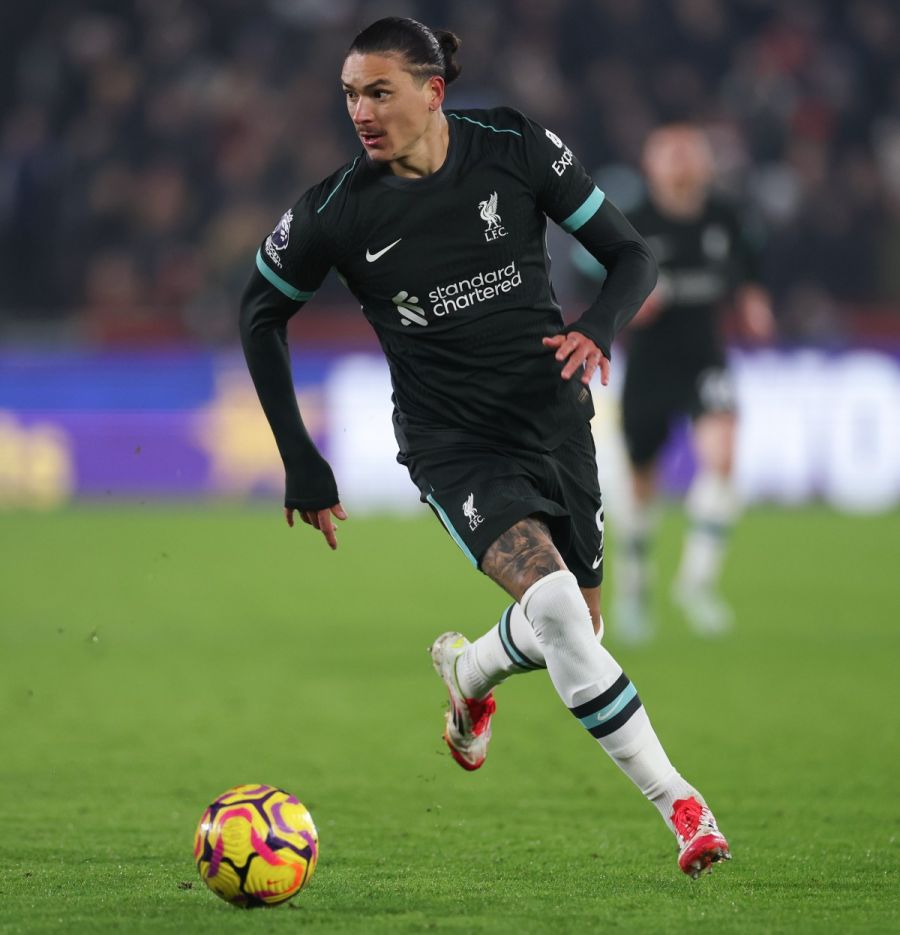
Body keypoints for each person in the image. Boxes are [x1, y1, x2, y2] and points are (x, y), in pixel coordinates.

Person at [240, 17, 731, 879]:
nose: (361, 109)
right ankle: (685, 807)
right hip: (452, 442)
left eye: (379, 90)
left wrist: (597, 328)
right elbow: (258, 311)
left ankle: (468, 671)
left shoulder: (512, 145)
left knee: (578, 623)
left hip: (554, 418)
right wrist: (300, 455)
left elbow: (630, 255)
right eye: (351, 93)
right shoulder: (336, 209)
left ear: (434, 91)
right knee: (558, 614)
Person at [599, 124, 775, 643]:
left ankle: (696, 584)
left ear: (704, 163)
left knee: (722, 459)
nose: (680, 164)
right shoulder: (631, 223)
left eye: (688, 154)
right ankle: (634, 586)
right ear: (651, 165)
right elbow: (596, 281)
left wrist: (753, 299)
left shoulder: (726, 216)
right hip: (650, 366)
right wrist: (629, 304)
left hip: (705, 359)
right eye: (669, 155)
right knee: (640, 484)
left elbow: (748, 269)